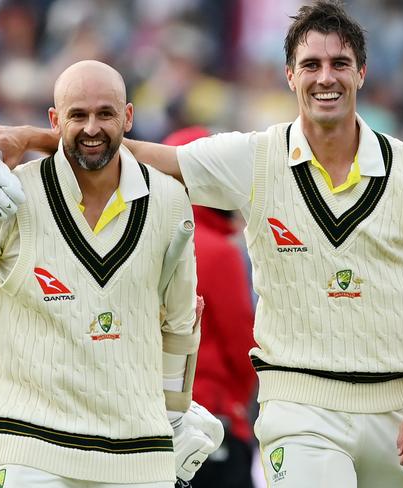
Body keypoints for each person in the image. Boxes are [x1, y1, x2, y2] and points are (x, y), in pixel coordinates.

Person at [0, 2, 403, 486]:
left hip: (400, 413)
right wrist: (32, 137)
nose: (325, 77)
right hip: (300, 403)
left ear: (362, 72)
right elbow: (143, 154)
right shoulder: (256, 158)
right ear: (290, 75)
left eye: (339, 63)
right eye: (311, 64)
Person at [0, 60, 224, 487]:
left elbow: (180, 325)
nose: (92, 128)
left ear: (128, 117)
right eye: (78, 115)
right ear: (55, 121)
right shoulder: (10, 196)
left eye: (105, 114)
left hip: (137, 452)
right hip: (33, 449)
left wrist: (174, 414)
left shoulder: (169, 203)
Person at [164, 127, 257, 488]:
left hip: (151, 422)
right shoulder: (218, 251)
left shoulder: (143, 238)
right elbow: (242, 347)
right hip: (211, 423)